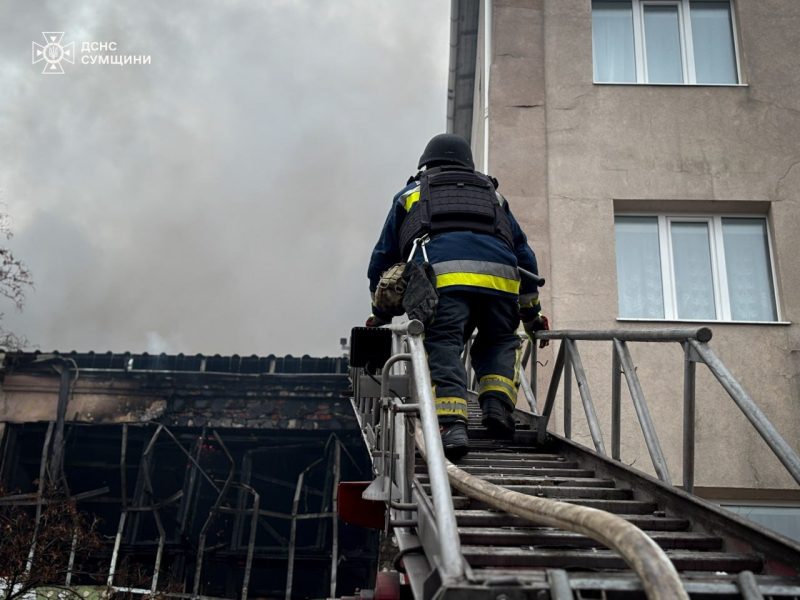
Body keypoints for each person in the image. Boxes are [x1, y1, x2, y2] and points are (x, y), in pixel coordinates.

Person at [366, 133, 548, 459]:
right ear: (468, 165)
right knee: (499, 341)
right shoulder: (495, 197)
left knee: (444, 344)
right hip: (502, 282)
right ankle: (496, 408)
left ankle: (452, 426)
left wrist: (379, 312)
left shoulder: (410, 195)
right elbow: (525, 254)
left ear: (426, 165)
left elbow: (384, 256)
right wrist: (532, 315)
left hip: (443, 282)